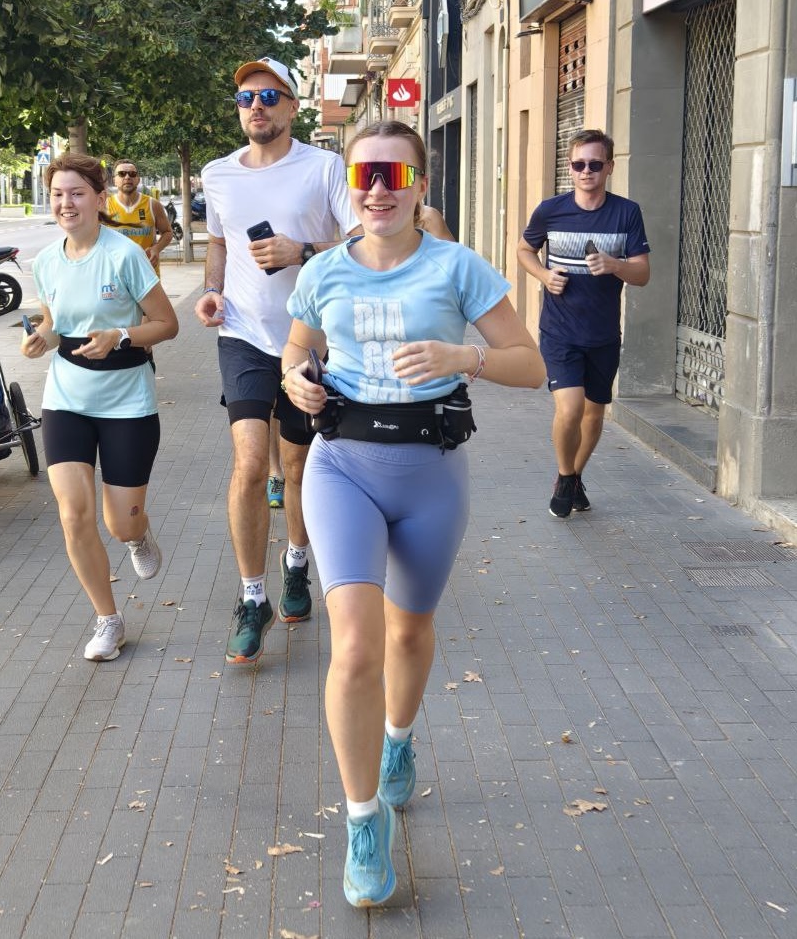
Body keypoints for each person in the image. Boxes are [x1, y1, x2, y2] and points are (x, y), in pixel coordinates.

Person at [281, 120, 545, 908]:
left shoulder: (459, 268)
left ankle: (399, 740)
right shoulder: (324, 272)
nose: (379, 188)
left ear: (422, 186)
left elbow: (530, 365)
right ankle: (365, 823)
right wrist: (299, 379)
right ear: (350, 189)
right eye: (365, 175)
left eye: (395, 174)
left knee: (408, 631)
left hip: (432, 473)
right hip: (342, 468)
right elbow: (297, 354)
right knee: (356, 644)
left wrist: (464, 356)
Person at [194, 55, 359, 665]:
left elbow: (360, 238)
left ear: (293, 106)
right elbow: (218, 241)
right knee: (249, 462)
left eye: (268, 96)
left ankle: (296, 564)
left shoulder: (323, 167)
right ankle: (253, 596)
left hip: (311, 337)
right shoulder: (217, 174)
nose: (255, 107)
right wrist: (212, 290)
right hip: (241, 334)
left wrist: (302, 250)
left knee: (297, 467)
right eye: (245, 99)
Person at [23, 152, 180, 662]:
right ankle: (107, 620)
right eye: (58, 194)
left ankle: (137, 535)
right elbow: (53, 320)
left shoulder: (124, 255)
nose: (66, 203)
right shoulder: (46, 261)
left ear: (97, 198)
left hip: (127, 400)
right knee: (73, 515)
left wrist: (120, 335)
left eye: (76, 193)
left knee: (120, 524)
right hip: (66, 398)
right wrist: (42, 339)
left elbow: (167, 324)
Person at [517, 128, 650, 518]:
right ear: (570, 169)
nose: (586, 171)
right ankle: (563, 476)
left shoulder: (627, 212)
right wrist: (542, 276)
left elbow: (643, 274)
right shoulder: (550, 210)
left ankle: (576, 476)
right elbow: (525, 249)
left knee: (594, 413)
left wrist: (615, 265)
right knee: (571, 409)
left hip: (604, 333)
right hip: (559, 330)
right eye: (578, 164)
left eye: (595, 164)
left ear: (609, 167)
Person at [106, 158, 174, 273]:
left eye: (132, 174)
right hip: (115, 275)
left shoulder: (153, 205)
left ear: (138, 179)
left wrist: (156, 248)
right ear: (114, 180)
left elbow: (168, 232)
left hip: (147, 273)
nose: (127, 177)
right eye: (122, 174)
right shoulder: (104, 206)